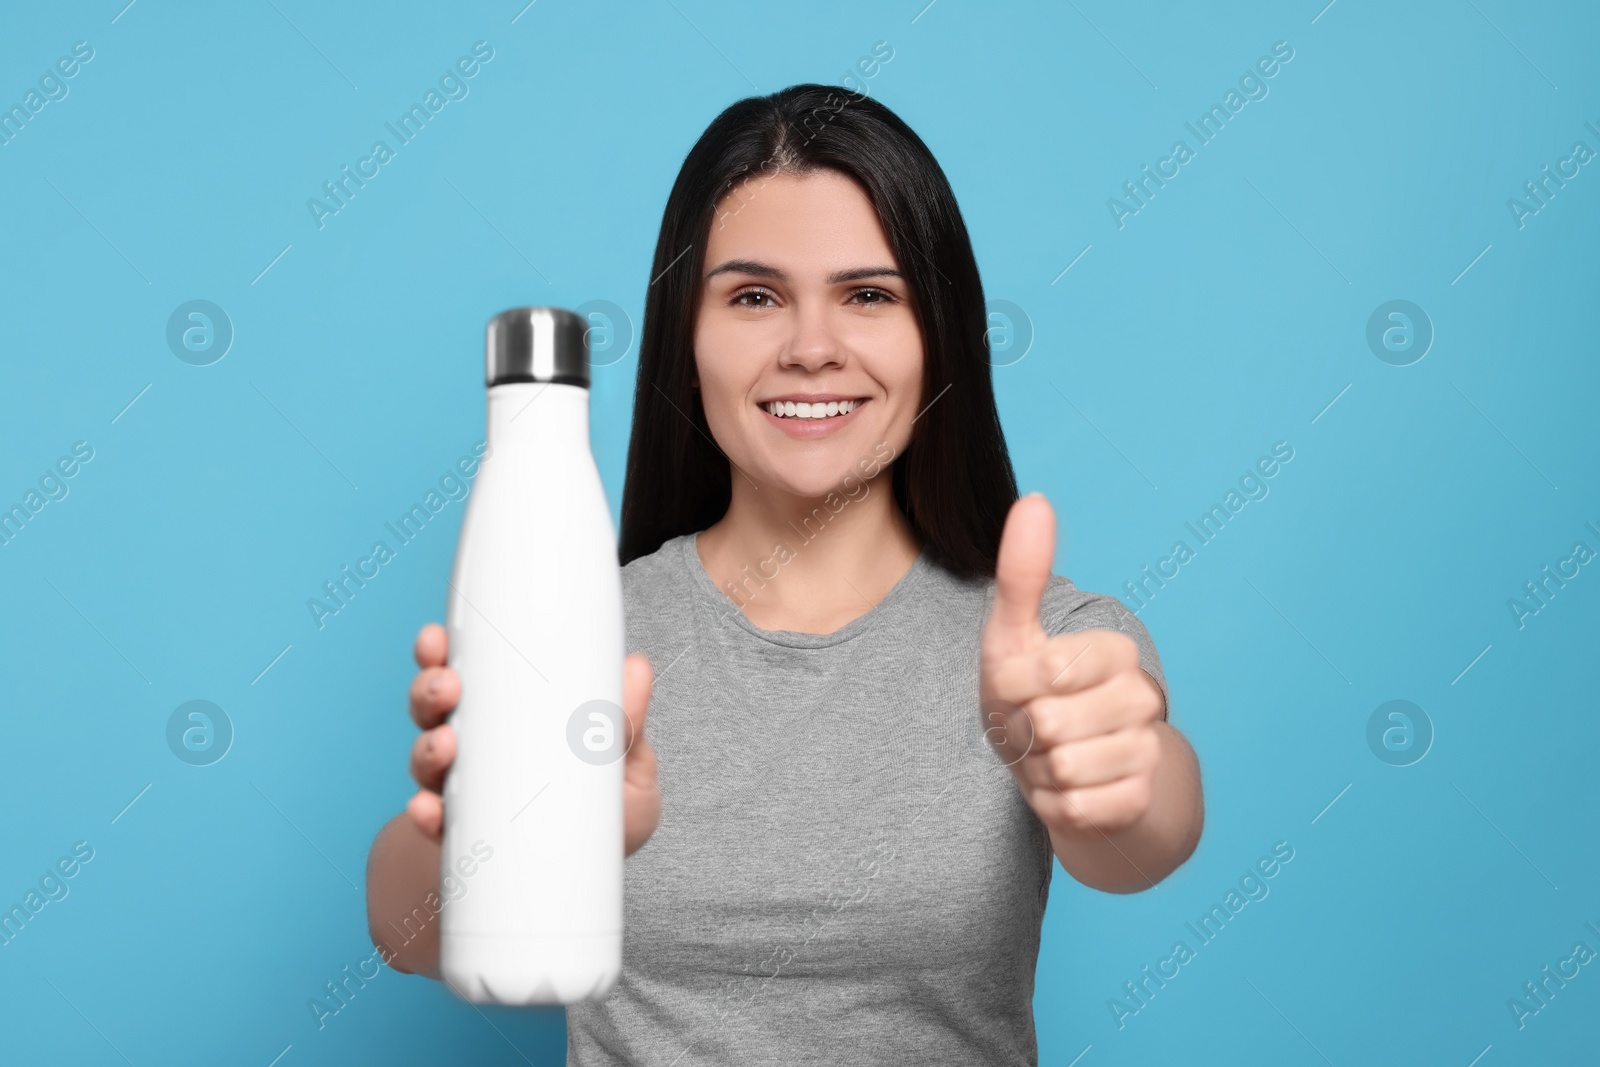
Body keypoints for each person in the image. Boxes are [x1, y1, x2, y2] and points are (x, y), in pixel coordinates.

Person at [366, 82, 1203, 1065]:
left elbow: (1144, 834)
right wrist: (486, 825)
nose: (812, 347)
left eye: (869, 295)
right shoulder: (581, 635)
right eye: (754, 296)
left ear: (938, 337)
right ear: (689, 336)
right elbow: (407, 931)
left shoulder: (1052, 647)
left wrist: (1107, 779)